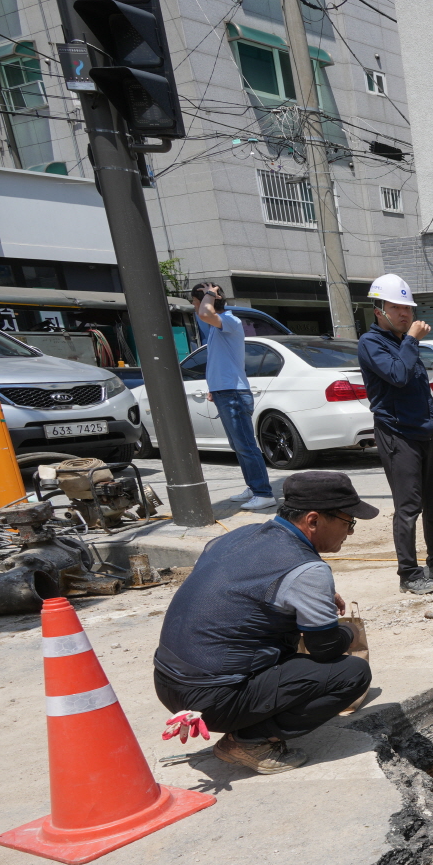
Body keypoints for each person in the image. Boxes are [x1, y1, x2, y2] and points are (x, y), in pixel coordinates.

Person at [152, 470, 376, 775]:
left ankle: (246, 723)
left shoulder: (238, 536)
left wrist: (310, 596)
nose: (349, 533)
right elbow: (323, 648)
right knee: (352, 673)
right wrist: (348, 631)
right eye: (348, 523)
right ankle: (249, 741)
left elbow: (236, 589)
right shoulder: (307, 569)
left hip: (168, 683)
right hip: (212, 698)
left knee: (276, 636)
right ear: (313, 520)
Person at [358, 273, 433, 595]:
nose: (406, 314)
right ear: (379, 310)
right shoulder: (372, 343)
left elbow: (419, 387)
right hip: (397, 435)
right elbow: (399, 375)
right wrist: (412, 340)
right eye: (397, 307)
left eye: (408, 308)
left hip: (425, 434)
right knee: (408, 508)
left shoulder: (404, 342)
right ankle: (408, 573)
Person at [193, 282, 274, 512]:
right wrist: (214, 387)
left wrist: (208, 294)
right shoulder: (218, 327)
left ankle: (263, 493)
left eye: (194, 300)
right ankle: (254, 486)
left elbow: (205, 312)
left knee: (246, 444)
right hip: (225, 391)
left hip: (233, 393)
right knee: (238, 445)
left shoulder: (229, 320)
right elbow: (221, 360)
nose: (194, 306)